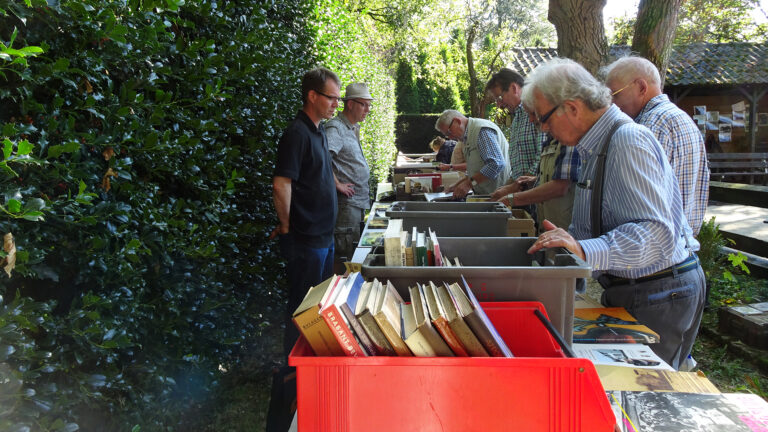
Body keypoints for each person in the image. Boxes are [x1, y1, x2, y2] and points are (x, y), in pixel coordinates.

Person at [524, 58, 706, 370]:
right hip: (649, 290)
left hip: (659, 291)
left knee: (642, 397)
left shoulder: (626, 140)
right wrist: (569, 245)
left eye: (544, 119)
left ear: (572, 108)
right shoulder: (600, 144)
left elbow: (655, 234)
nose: (543, 128)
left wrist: (582, 249)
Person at [271, 67, 340, 355]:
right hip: (306, 239)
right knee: (302, 309)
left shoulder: (319, 130)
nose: (336, 103)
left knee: (317, 309)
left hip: (325, 238)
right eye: (331, 98)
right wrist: (286, 227)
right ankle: (292, 371)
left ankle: (312, 361)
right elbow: (281, 184)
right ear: (312, 96)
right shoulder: (296, 133)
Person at [604, 56, 710, 236]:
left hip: (660, 252)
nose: (612, 104)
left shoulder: (650, 125)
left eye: (615, 94)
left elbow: (641, 203)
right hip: (682, 246)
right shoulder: (681, 117)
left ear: (641, 87)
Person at [490, 101, 580, 231]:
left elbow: (561, 186)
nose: (531, 120)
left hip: (565, 229)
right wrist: (532, 180)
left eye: (535, 114)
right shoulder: (550, 137)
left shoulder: (569, 136)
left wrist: (511, 198)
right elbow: (549, 175)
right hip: (548, 225)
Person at [325, 82, 373, 264]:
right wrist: (337, 184)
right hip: (346, 205)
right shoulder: (336, 128)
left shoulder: (352, 127)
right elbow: (322, 158)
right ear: (350, 104)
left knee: (354, 254)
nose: (368, 109)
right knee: (344, 256)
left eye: (369, 105)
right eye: (364, 104)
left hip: (356, 202)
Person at [485, 68, 545, 180]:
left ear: (513, 88)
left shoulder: (536, 111)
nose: (499, 105)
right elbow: (518, 169)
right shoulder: (517, 119)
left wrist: (514, 188)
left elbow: (542, 159)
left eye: (500, 98)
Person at [434, 109, 510, 198]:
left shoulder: (481, 130)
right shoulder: (467, 136)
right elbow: (477, 169)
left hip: (499, 196)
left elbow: (496, 164)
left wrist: (468, 184)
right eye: (446, 135)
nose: (449, 137)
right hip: (489, 195)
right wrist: (457, 185)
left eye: (449, 132)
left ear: (457, 121)